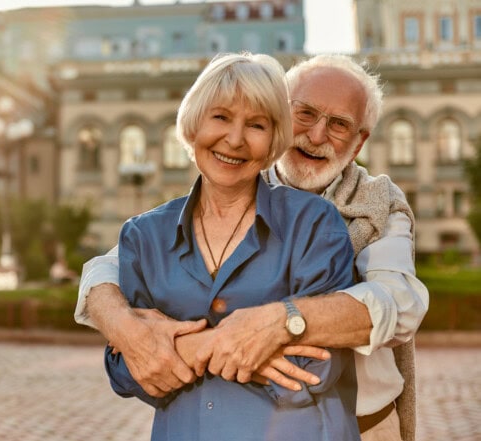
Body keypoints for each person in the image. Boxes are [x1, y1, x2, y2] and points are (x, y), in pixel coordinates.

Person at [75, 53, 429, 441]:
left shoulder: (375, 205)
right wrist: (125, 327)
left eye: (340, 124)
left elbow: (399, 302)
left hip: (360, 424)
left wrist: (277, 323)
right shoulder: (223, 180)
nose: (316, 135)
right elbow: (108, 271)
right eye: (305, 113)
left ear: (359, 141)